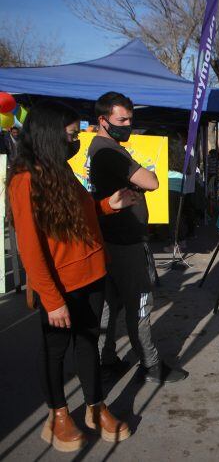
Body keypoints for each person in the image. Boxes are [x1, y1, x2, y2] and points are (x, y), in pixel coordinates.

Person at [7, 101, 134, 452]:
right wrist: (52, 300)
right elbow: (30, 250)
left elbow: (86, 211)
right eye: (71, 135)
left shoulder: (60, 170)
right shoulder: (24, 181)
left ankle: (95, 407)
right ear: (49, 135)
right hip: (61, 287)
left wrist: (110, 205)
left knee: (88, 344)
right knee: (55, 351)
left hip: (92, 275)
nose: (76, 141)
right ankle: (58, 415)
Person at [89, 91, 187, 384]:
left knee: (113, 302)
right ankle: (151, 364)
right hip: (126, 242)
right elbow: (152, 181)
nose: (128, 124)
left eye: (131, 118)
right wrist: (141, 183)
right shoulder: (109, 150)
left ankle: (105, 360)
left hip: (115, 238)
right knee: (140, 304)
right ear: (103, 120)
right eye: (122, 119)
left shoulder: (105, 147)